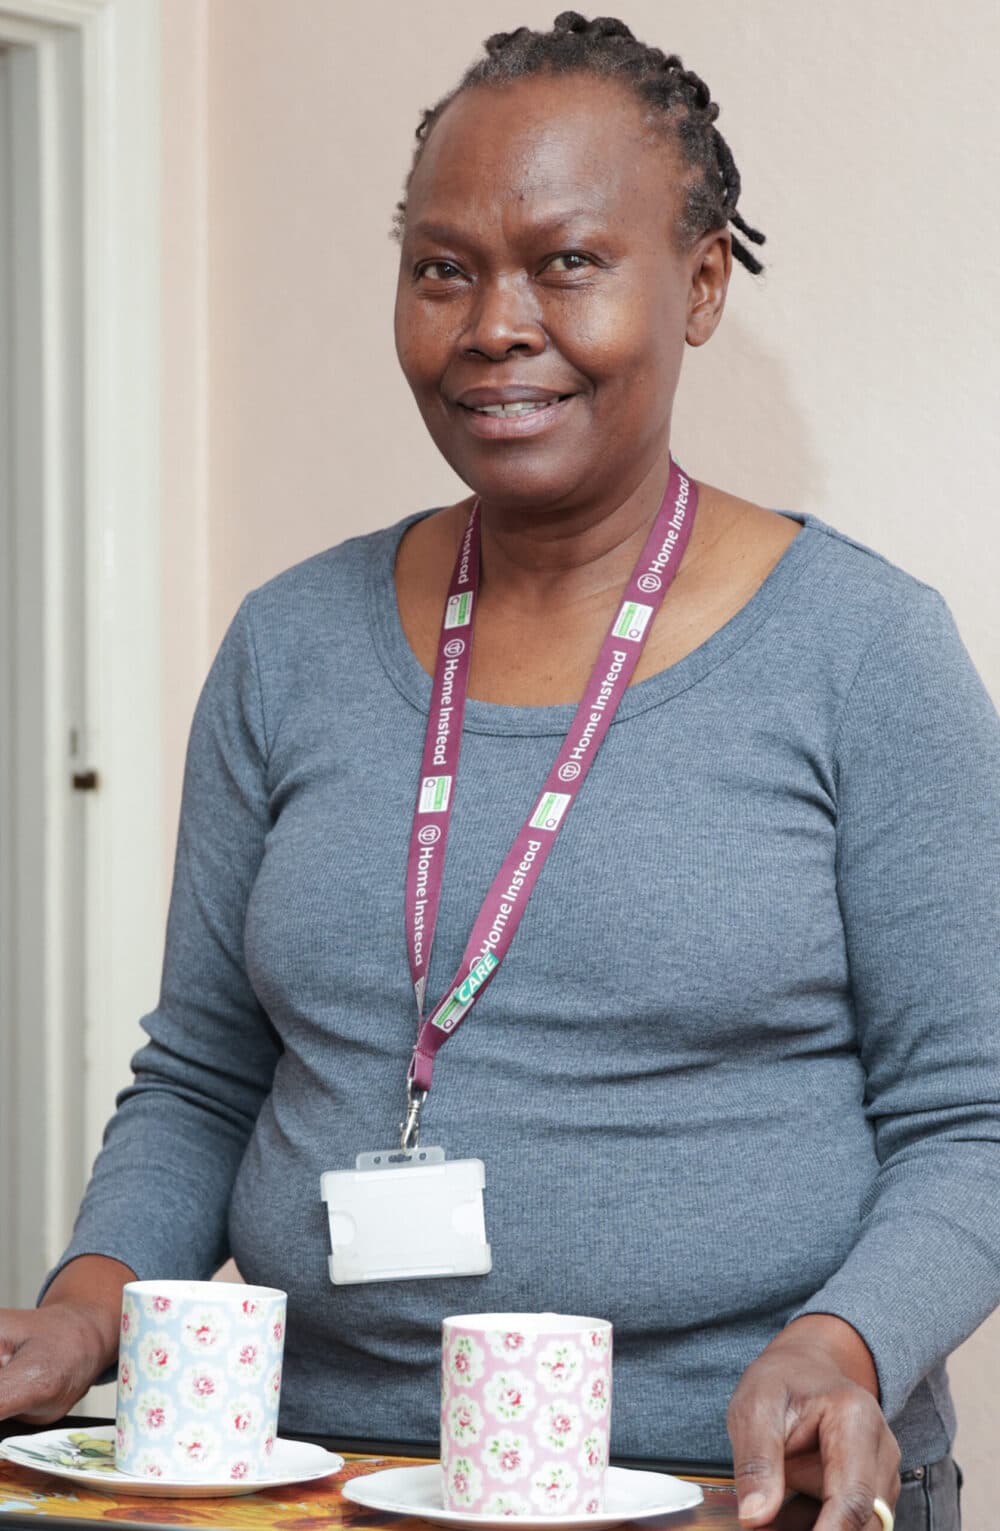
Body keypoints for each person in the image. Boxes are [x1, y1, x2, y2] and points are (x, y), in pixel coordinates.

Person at [1, 13, 997, 1530]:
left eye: (568, 263)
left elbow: (972, 1117)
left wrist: (836, 1341)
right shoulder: (289, 644)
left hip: (720, 1487)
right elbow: (205, 1072)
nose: (494, 323)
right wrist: (85, 1304)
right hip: (324, 1477)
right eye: (443, 266)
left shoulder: (863, 650)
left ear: (704, 281)